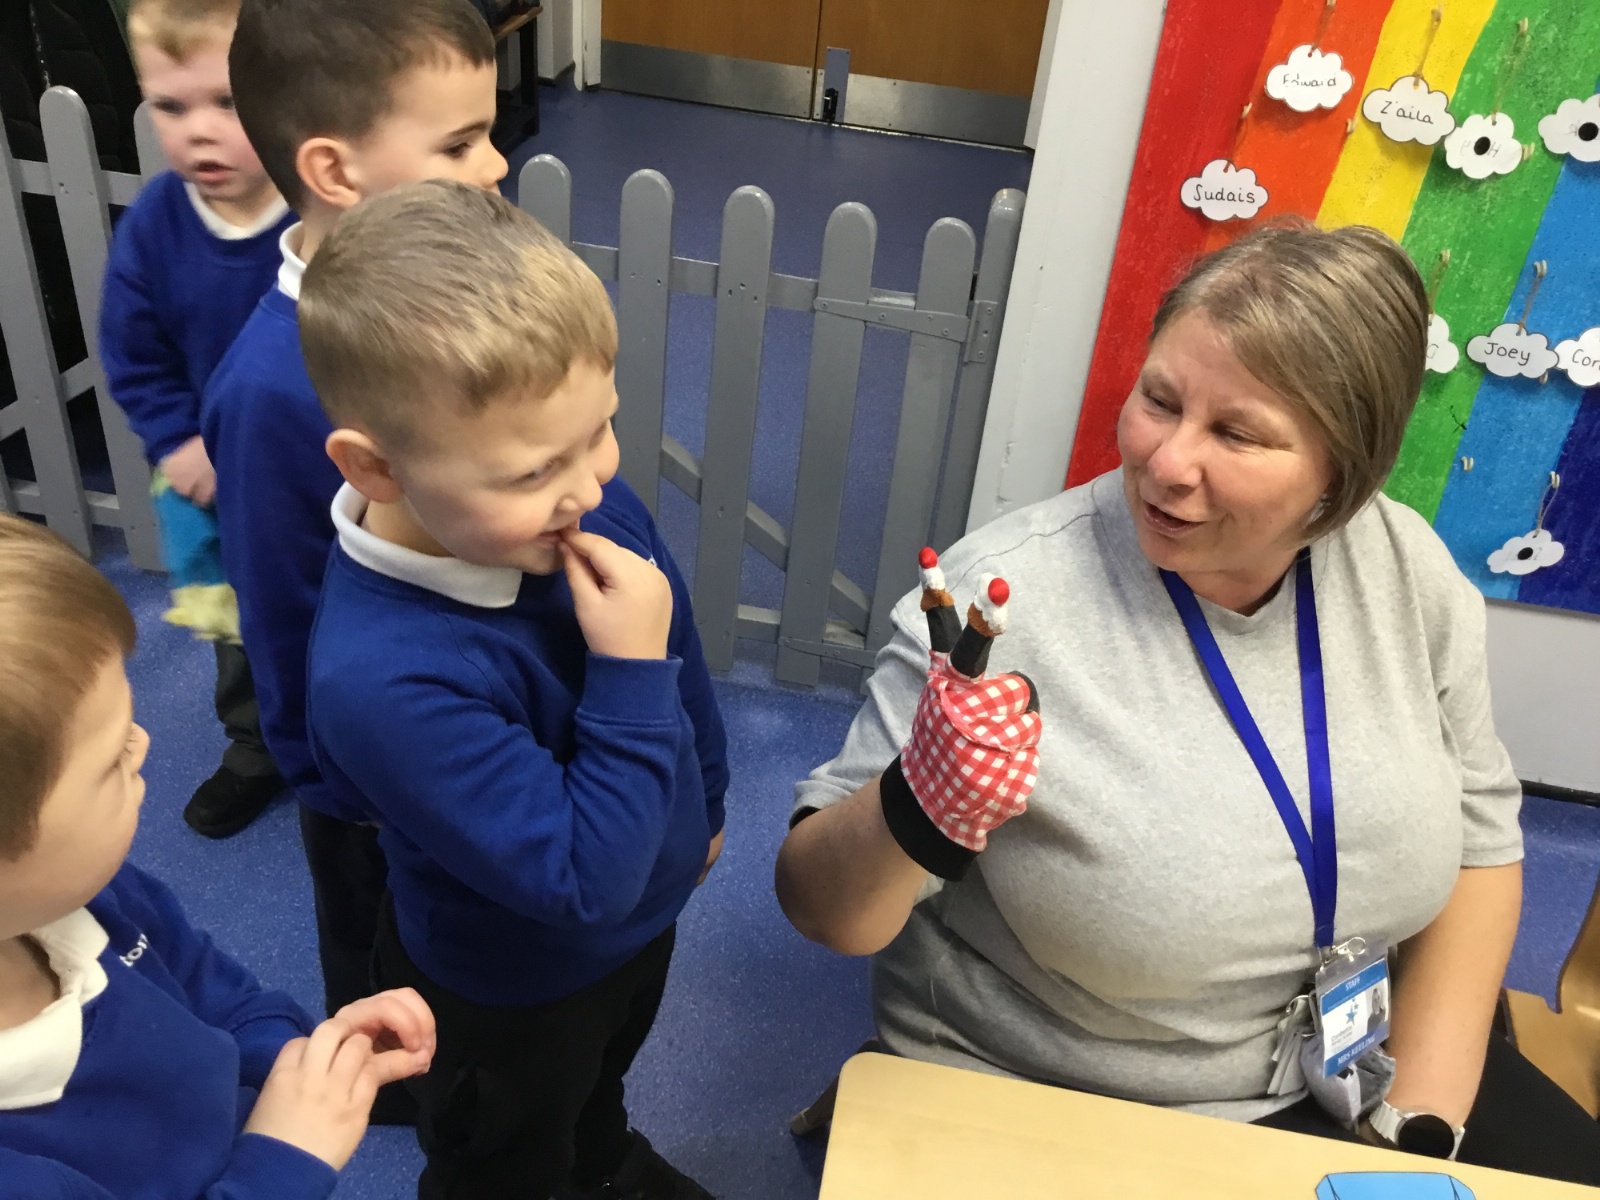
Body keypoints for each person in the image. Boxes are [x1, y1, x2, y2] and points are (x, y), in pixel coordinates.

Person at [775, 221, 1600, 1183]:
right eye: (1158, 401)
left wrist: (1415, 1135)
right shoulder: (999, 607)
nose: (1167, 462)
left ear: (1344, 475)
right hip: (1063, 1101)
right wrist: (917, 802)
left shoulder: (1403, 566)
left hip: (1353, 1074)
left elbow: (1481, 844)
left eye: (1237, 433)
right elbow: (826, 911)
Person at [299, 180, 728, 1200]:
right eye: (536, 471)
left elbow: (681, 654)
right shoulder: (378, 680)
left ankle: (600, 1157)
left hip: (640, 924)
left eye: (601, 430)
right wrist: (627, 667)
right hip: (510, 991)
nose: (591, 484)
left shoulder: (580, 504)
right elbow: (582, 881)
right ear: (378, 468)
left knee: (594, 1088)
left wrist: (707, 803)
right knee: (503, 1158)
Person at [197, 0, 505, 1116]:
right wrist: (334, 783)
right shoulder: (273, 388)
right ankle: (398, 1092)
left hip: (467, 699)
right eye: (459, 143)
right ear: (334, 169)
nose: (496, 165)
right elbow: (277, 608)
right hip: (365, 766)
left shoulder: (458, 288)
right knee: (382, 937)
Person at [0, 513, 436, 1198]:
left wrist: (300, 1060)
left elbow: (211, 989)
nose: (144, 744)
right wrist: (286, 1157)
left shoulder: (88, 894)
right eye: (110, 759)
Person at [100, 0, 293, 840]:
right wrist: (176, 439)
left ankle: (361, 755)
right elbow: (133, 351)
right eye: (171, 107)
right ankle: (255, 748)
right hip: (218, 479)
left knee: (344, 615)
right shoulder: (156, 227)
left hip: (326, 475)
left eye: (227, 102)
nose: (200, 132)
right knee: (238, 627)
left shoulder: (323, 214)